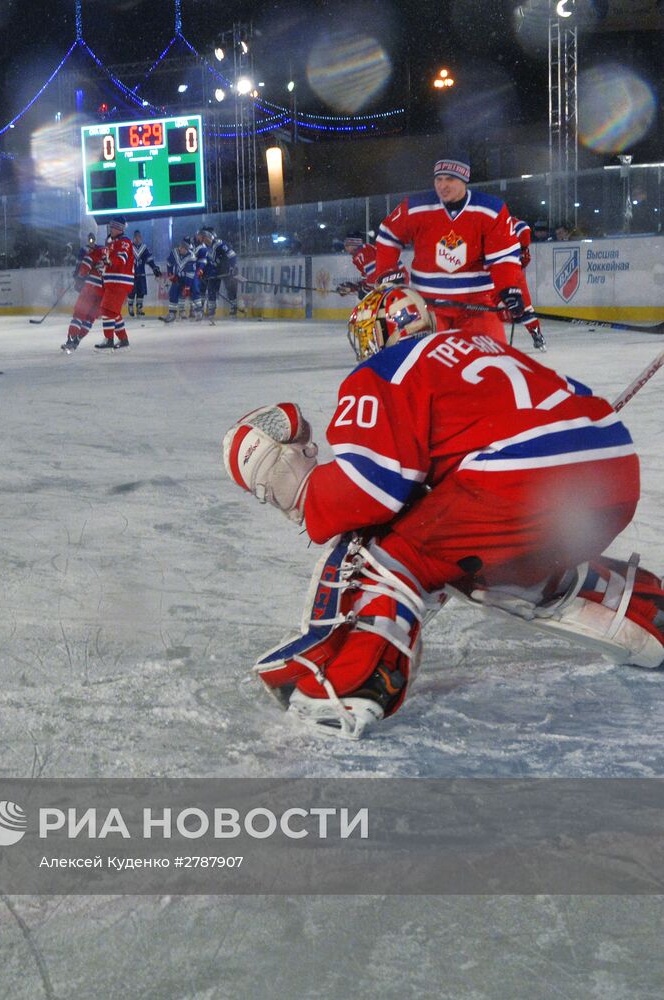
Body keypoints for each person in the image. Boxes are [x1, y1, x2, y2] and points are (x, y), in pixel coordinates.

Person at [222, 285, 663, 739]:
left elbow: (370, 489)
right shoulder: (485, 344)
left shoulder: (386, 368)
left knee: (390, 549)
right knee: (474, 561)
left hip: (523, 479)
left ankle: (346, 688)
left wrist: (300, 492)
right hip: (611, 473)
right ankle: (644, 613)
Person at [373, 158, 525, 342]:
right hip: (427, 307)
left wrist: (508, 289)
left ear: (464, 180)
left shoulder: (491, 209)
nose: (442, 186)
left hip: (476, 305)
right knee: (428, 366)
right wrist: (387, 272)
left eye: (450, 179)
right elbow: (388, 236)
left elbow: (503, 258)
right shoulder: (415, 207)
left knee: (491, 361)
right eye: (439, 179)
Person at [93, 216, 134, 349]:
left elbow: (121, 260)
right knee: (113, 312)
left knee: (107, 310)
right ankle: (123, 340)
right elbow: (110, 262)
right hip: (113, 282)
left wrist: (109, 262)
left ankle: (109, 339)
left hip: (119, 282)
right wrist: (102, 266)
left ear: (119, 228)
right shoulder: (111, 243)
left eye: (113, 227)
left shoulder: (124, 242)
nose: (111, 229)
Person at [61, 239, 108, 352]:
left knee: (79, 314)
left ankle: (70, 340)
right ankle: (77, 340)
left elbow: (84, 268)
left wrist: (78, 276)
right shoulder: (110, 255)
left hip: (90, 290)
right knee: (89, 319)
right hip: (103, 294)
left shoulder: (93, 253)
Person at [508, 216, 546, 351]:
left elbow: (523, 229)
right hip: (493, 272)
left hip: (511, 272)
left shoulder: (510, 223)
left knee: (524, 306)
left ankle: (536, 334)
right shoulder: (487, 222)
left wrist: (521, 251)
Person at [198, 228, 238, 322]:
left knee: (230, 288)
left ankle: (234, 307)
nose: (201, 241)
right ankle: (211, 311)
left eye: (202, 238)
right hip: (215, 271)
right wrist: (204, 272)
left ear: (207, 237)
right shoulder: (207, 248)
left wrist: (232, 267)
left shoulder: (219, 244)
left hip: (226, 269)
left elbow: (232, 255)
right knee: (211, 289)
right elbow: (209, 262)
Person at [162, 237, 200, 323]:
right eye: (180, 247)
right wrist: (170, 274)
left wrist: (187, 286)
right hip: (178, 277)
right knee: (173, 292)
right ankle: (172, 314)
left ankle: (199, 311)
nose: (180, 249)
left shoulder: (191, 256)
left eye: (182, 248)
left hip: (189, 278)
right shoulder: (174, 252)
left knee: (194, 291)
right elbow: (169, 263)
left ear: (186, 249)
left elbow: (191, 274)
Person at [126, 230, 160, 318]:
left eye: (139, 237)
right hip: (131, 274)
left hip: (141, 273)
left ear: (141, 238)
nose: (137, 239)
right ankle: (130, 307)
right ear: (133, 238)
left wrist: (154, 268)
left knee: (141, 292)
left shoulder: (144, 248)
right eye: (136, 237)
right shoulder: (129, 247)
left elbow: (149, 259)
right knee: (131, 291)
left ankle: (139, 308)